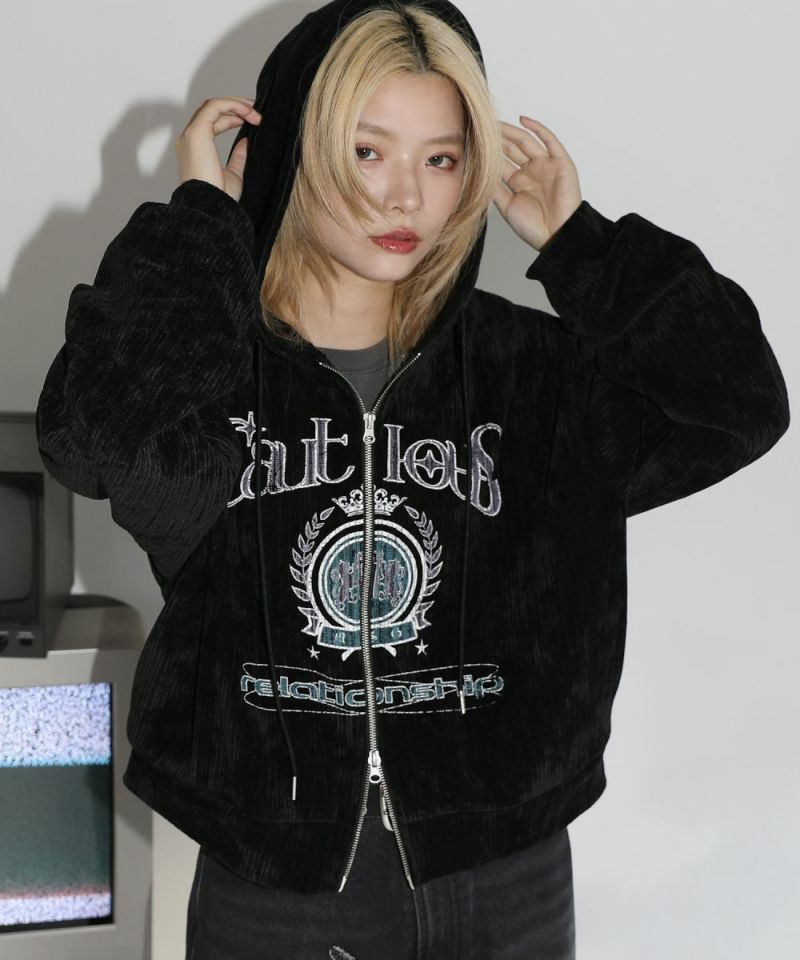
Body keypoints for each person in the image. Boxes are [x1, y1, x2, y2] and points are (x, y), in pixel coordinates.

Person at [35, 0, 790, 957]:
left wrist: (582, 245)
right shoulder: (211, 374)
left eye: (441, 159)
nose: (405, 198)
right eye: (368, 152)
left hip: (502, 877)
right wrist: (201, 225)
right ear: (295, 151)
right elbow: (91, 436)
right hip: (278, 889)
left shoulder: (533, 375)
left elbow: (738, 401)